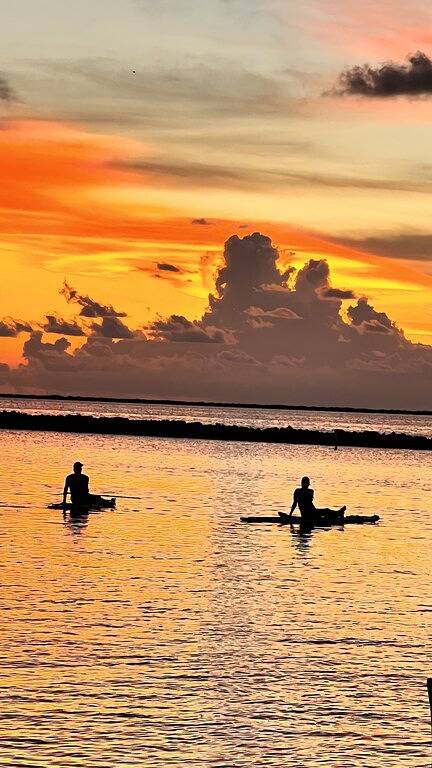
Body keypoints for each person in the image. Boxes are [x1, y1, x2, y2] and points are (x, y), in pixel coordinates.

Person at [281, 476, 346, 527]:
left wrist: (290, 515)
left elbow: (296, 503)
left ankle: (338, 514)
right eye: (307, 483)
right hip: (309, 514)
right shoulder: (306, 491)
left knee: (326, 511)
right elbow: (295, 504)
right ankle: (338, 513)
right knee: (326, 511)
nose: (308, 485)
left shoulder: (301, 491)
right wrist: (290, 515)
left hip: (310, 513)